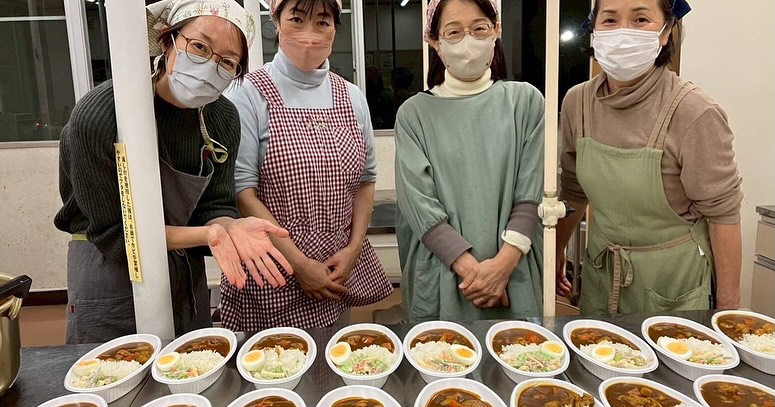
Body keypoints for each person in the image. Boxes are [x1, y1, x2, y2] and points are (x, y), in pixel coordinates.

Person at [54, 0, 291, 344]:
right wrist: (206, 235)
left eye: (227, 62)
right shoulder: (100, 115)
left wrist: (229, 226)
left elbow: (214, 205)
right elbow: (115, 234)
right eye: (199, 47)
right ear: (168, 41)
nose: (209, 67)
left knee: (191, 366)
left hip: (184, 269)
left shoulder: (223, 118)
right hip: (108, 265)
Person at [556, 0, 743, 314]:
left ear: (666, 31)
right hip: (602, 276)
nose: (623, 32)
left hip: (673, 285)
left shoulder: (694, 112)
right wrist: (557, 252)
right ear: (593, 28)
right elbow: (573, 190)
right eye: (610, 20)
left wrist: (727, 312)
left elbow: (723, 215)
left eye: (640, 19)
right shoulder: (578, 103)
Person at [224, 0, 393, 330]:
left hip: (337, 267)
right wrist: (299, 264)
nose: (309, 34)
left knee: (334, 353)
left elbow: (366, 180)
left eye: (322, 22)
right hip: (273, 267)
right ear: (276, 21)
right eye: (297, 19)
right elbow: (243, 192)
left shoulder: (352, 96)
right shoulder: (247, 93)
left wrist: (354, 248)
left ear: (335, 29)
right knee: (276, 359)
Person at [394, 0, 545, 322]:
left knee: (518, 349)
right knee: (442, 349)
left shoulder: (525, 102)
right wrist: (475, 274)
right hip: (444, 271)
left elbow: (531, 194)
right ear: (435, 42)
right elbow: (419, 205)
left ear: (496, 31)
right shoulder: (414, 115)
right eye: (453, 32)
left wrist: (502, 267)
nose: (468, 41)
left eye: (479, 29)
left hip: (513, 266)